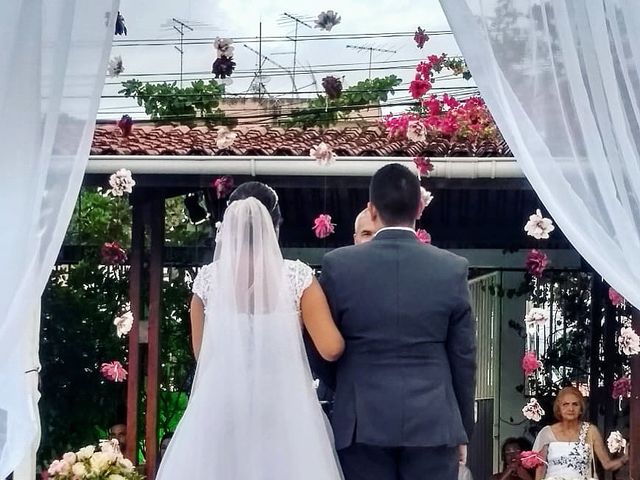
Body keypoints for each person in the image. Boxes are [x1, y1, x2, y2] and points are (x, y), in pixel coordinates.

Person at [157, 182, 345, 479]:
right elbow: (331, 347)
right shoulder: (297, 278)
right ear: (275, 226)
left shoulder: (207, 282)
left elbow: (202, 354)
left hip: (221, 410)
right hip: (281, 409)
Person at [317, 163, 476, 480]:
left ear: (371, 210)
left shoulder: (339, 266)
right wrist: (461, 429)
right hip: (434, 422)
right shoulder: (451, 268)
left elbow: (322, 348)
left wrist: (346, 392)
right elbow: (463, 357)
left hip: (361, 421)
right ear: (419, 208)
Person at [533, 386, 629, 480]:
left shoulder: (591, 431)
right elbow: (540, 470)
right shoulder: (546, 433)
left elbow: (607, 464)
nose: (570, 409)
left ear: (581, 409)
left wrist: (626, 458)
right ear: (558, 408)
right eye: (565, 404)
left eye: (575, 404)